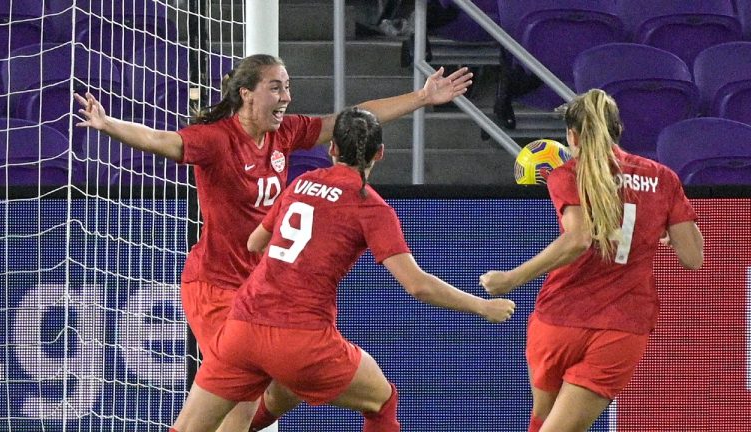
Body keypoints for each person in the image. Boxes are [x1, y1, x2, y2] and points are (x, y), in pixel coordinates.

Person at [74, 54, 473, 431]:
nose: (286, 97)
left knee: (284, 386)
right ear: (246, 93)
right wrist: (110, 126)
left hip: (259, 289)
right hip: (214, 286)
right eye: (276, 88)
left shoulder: (284, 134)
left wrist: (422, 97)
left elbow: (347, 120)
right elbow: (164, 141)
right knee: (241, 398)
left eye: (288, 87)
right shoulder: (217, 139)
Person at [170, 107, 516, 432]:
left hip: (242, 326)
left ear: (332, 148)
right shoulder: (371, 207)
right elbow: (418, 286)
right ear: (380, 153)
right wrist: (482, 306)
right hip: (301, 335)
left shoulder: (299, 184)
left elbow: (254, 243)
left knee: (191, 426)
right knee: (382, 401)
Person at [479, 89, 704, 432]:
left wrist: (511, 279)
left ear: (572, 136)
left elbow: (578, 238)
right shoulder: (662, 178)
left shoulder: (566, 174)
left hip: (557, 323)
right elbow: (693, 257)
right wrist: (663, 228)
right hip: (622, 327)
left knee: (542, 422)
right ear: (618, 130)